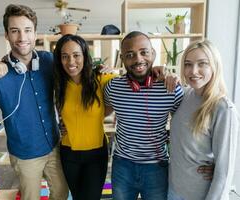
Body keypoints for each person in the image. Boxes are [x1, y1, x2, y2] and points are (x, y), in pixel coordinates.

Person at [0, 4, 68, 200]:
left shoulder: (49, 61)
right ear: (6, 34)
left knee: (62, 194)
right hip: (25, 155)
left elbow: (77, 72)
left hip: (54, 146)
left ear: (35, 33)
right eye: (15, 31)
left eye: (27, 30)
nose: (22, 38)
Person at [104, 31, 184, 200]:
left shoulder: (170, 88)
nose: (138, 59)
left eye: (144, 52)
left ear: (153, 54)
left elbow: (186, 127)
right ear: (123, 59)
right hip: (122, 166)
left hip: (157, 167)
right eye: (130, 55)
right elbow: (101, 110)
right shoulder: (112, 88)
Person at [168, 40, 239, 200]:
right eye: (188, 64)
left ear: (214, 66)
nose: (193, 71)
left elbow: (224, 171)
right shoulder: (184, 95)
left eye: (202, 64)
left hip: (201, 195)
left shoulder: (223, 109)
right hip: (173, 191)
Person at [53, 34, 115, 200]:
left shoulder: (101, 78)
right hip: (69, 153)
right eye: (65, 56)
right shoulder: (58, 83)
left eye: (76, 55)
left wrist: (157, 72)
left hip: (96, 153)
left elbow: (131, 82)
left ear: (85, 55)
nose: (71, 62)